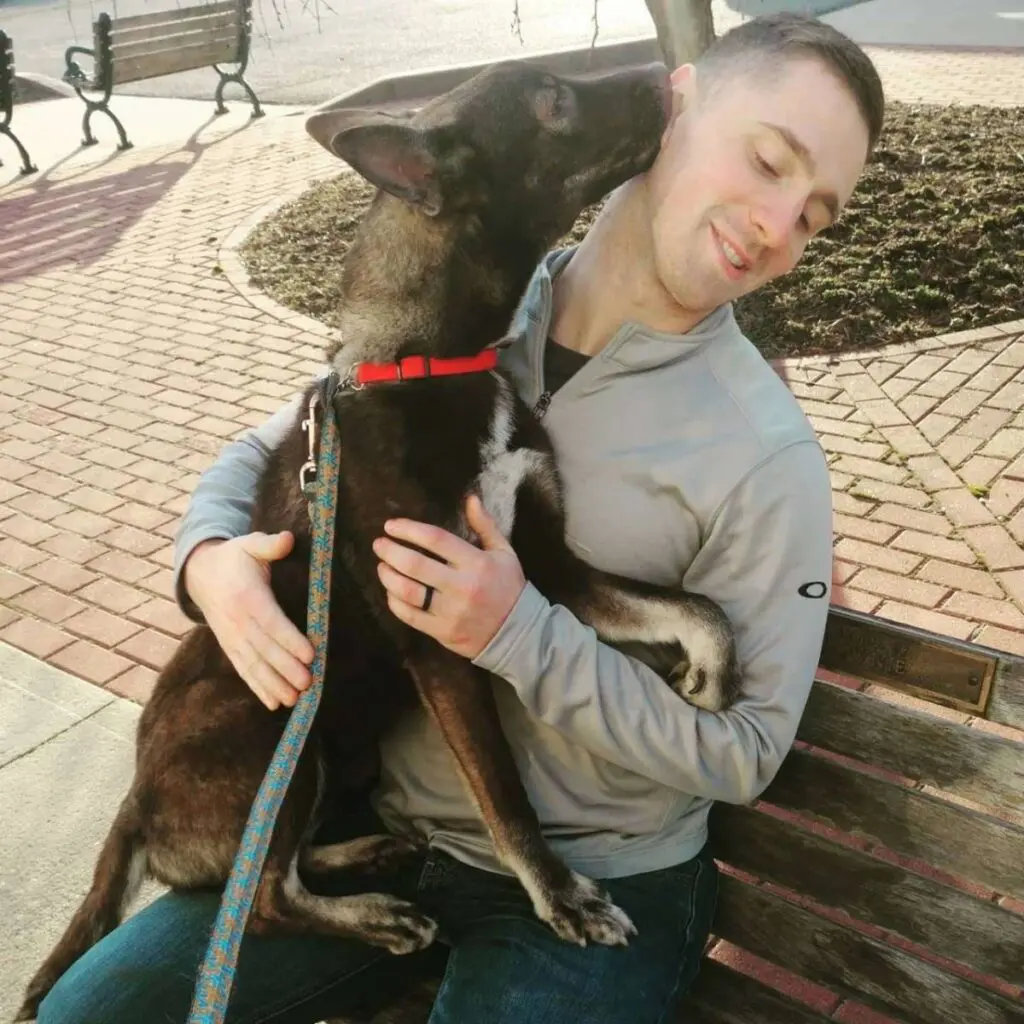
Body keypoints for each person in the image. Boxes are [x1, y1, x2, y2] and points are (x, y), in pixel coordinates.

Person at [38, 12, 884, 1024]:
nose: (776, 223)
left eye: (817, 214)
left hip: (598, 878)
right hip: (389, 829)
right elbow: (280, 440)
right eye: (766, 160)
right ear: (680, 98)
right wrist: (210, 561)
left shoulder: (762, 453)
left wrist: (519, 634)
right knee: (86, 1012)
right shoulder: (473, 305)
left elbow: (745, 751)